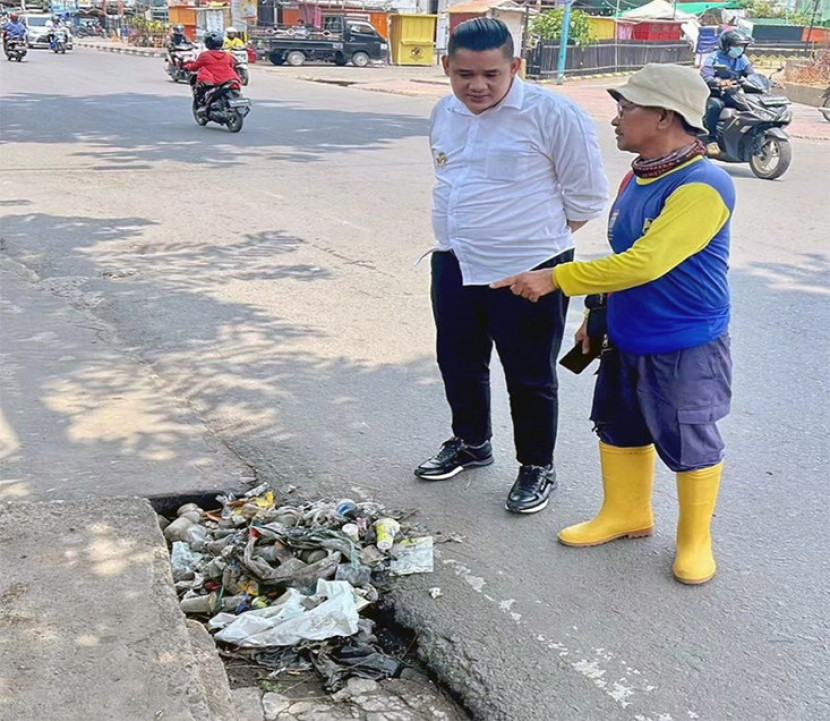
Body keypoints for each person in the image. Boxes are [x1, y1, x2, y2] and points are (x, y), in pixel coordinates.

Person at [492, 64, 735, 585]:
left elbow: (646, 262)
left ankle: (695, 539)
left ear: (665, 116)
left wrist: (556, 278)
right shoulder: (640, 173)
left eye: (627, 108)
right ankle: (627, 513)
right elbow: (620, 254)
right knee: (619, 425)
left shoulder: (703, 185)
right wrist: (595, 315)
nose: (617, 118)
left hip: (683, 341)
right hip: (626, 332)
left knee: (689, 436)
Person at [414, 18, 608, 515]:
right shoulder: (445, 112)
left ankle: (536, 466)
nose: (476, 86)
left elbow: (586, 198)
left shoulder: (554, 115)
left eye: (491, 75)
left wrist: (534, 247)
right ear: (446, 69)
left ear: (515, 68)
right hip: (456, 262)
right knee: (458, 362)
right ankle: (472, 443)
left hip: (530, 271)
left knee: (529, 374)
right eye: (463, 75)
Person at [701, 30, 754, 150]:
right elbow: (706, 76)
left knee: (751, 106)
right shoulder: (713, 58)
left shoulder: (743, 59)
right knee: (715, 105)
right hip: (717, 93)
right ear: (726, 46)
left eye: (741, 46)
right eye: (735, 46)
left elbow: (751, 75)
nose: (739, 48)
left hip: (735, 93)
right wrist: (719, 82)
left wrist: (768, 81)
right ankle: (711, 138)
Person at [184, 31, 241, 110]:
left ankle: (204, 103)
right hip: (231, 80)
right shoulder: (228, 55)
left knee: (200, 87)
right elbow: (232, 65)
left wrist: (187, 66)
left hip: (214, 82)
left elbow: (195, 66)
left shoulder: (205, 55)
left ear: (208, 44)